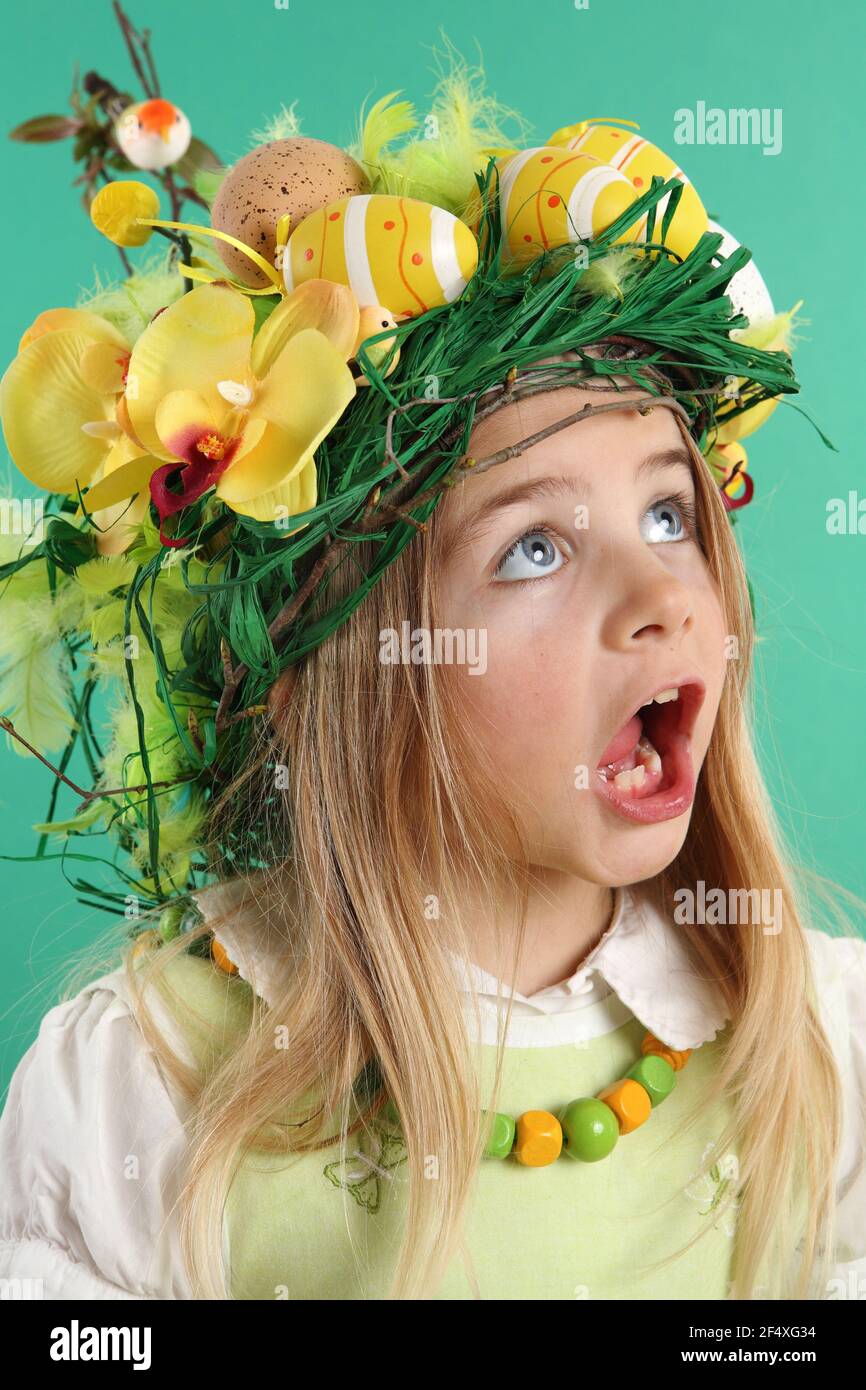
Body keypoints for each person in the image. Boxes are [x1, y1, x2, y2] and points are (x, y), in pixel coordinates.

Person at [0, 61, 864, 1301]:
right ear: (323, 662)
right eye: (534, 547)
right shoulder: (144, 1085)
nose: (663, 596)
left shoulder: (814, 1047)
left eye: (668, 514)